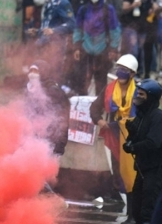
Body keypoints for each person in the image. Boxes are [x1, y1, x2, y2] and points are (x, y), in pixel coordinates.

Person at [90, 54, 138, 222]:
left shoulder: (140, 91)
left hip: (133, 138)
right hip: (114, 136)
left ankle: (134, 213)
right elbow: (94, 109)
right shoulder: (109, 89)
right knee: (118, 174)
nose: (120, 73)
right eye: (119, 69)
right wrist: (100, 120)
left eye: (124, 70)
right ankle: (127, 212)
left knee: (133, 176)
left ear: (132, 74)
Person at [123, 79, 162, 224]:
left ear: (150, 97)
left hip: (155, 170)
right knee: (137, 208)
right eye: (137, 93)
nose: (137, 97)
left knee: (148, 210)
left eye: (141, 95)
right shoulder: (140, 116)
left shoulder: (158, 117)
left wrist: (134, 147)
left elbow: (153, 142)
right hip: (141, 168)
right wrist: (130, 139)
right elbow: (136, 138)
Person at [71, 0, 121, 95]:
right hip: (85, 50)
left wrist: (113, 49)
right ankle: (82, 105)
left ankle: (99, 106)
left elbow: (114, 30)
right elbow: (77, 29)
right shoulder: (83, 9)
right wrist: (77, 47)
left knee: (101, 83)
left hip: (102, 51)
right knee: (83, 82)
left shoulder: (108, 9)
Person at [25, 59, 70, 156]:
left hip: (51, 140)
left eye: (35, 71)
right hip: (34, 138)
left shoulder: (54, 91)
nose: (32, 74)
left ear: (44, 72)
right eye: (30, 71)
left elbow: (63, 118)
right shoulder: (30, 90)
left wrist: (60, 144)